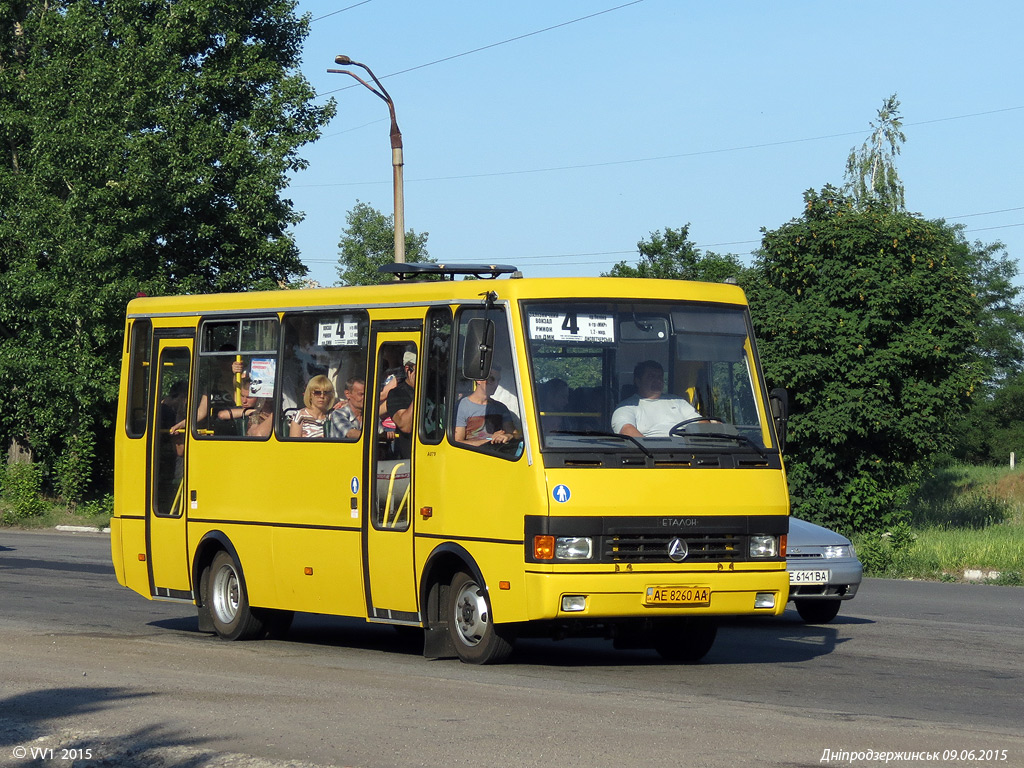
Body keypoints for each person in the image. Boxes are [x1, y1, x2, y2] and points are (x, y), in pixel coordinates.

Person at [611, 360, 701, 438]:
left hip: (686, 453)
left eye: (659, 377)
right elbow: (626, 431)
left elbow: (701, 424)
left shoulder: (679, 402)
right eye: (651, 377)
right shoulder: (626, 407)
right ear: (638, 381)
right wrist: (653, 451)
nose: (658, 381)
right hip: (648, 454)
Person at [455, 371, 517, 447]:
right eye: (492, 379)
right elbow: (457, 442)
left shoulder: (501, 408)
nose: (496, 384)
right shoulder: (461, 406)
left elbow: (515, 433)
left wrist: (508, 436)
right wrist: (491, 440)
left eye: (498, 380)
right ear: (479, 380)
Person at [383, 351, 417, 459]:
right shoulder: (397, 394)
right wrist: (419, 391)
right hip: (410, 457)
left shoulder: (436, 389)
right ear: (408, 369)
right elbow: (406, 426)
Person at [328, 376, 365, 440]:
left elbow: (381, 431)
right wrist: (375, 436)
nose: (365, 397)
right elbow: (351, 434)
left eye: (367, 394)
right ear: (347, 394)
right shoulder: (338, 414)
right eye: (361, 394)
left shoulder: (370, 415)